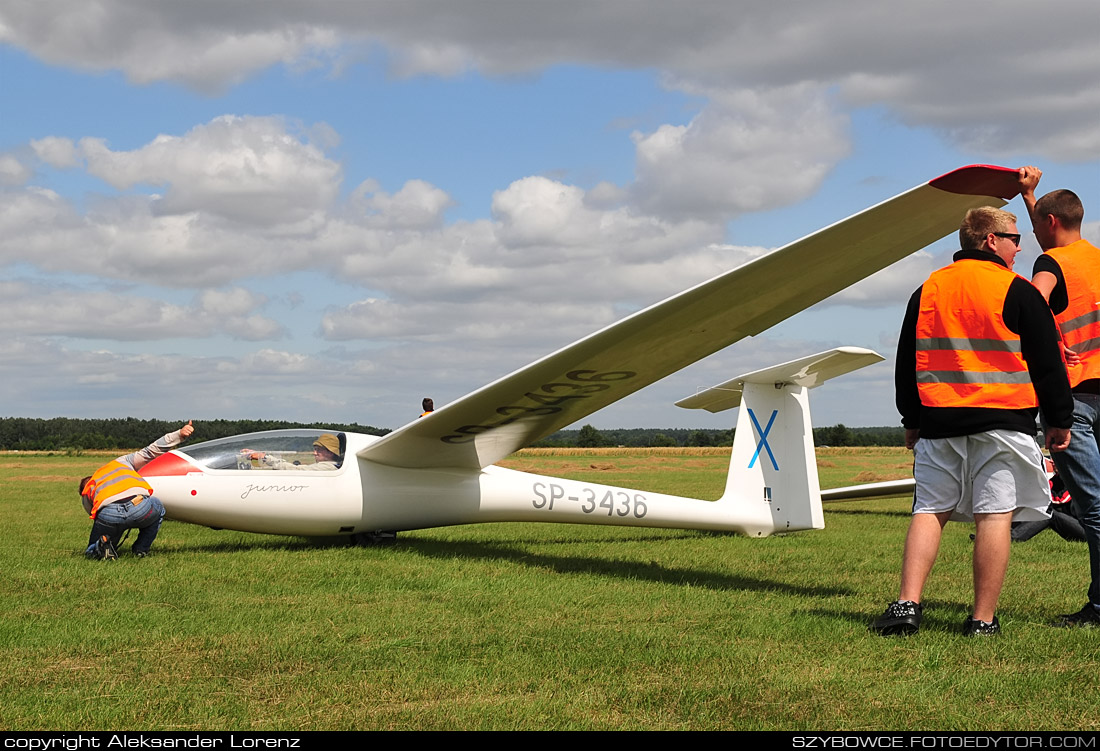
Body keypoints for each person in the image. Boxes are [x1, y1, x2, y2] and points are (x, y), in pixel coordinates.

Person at [871, 202, 1073, 637]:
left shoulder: (928, 289)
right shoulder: (1018, 290)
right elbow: (1047, 363)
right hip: (1002, 423)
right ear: (990, 240)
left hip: (939, 422)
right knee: (995, 516)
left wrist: (911, 418)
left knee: (929, 509)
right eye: (1015, 239)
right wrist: (1059, 419)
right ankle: (981, 620)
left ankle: (907, 605)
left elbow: (907, 362)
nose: (1020, 249)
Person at [1020, 169, 1100, 627]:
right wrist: (1030, 196)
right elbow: (1051, 244)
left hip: (1074, 400)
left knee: (1093, 508)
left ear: (1050, 222)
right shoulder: (1092, 258)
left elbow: (1033, 303)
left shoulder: (1050, 266)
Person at [79, 421, 194, 559]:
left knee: (95, 547)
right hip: (140, 505)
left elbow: (96, 515)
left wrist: (113, 529)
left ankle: (100, 547)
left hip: (110, 514)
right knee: (158, 507)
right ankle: (141, 550)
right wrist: (179, 434)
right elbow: (151, 450)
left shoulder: (89, 488)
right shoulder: (121, 462)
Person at [243, 433, 343, 470]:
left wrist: (264, 457)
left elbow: (296, 470)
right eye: (315, 449)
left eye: (318, 450)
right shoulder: (330, 466)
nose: (314, 453)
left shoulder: (327, 467)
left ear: (330, 452)